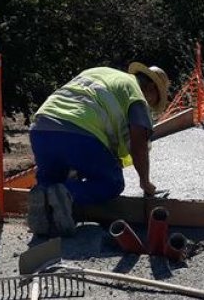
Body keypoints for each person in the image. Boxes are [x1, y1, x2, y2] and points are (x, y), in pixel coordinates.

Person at [27, 62, 170, 236]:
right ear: (151, 87)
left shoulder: (99, 73)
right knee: (111, 182)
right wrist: (145, 182)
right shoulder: (136, 94)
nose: (149, 106)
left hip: (41, 128)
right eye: (153, 101)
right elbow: (138, 142)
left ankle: (43, 202)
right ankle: (64, 194)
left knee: (52, 180)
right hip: (79, 132)